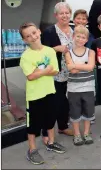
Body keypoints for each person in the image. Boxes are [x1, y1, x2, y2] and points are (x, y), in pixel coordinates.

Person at [19, 22, 66, 165]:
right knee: (33, 125)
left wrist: (39, 71)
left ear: (39, 32)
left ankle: (51, 142)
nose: (32, 37)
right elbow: (31, 76)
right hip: (34, 95)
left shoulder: (49, 51)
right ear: (24, 40)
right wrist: (46, 70)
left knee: (50, 120)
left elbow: (56, 70)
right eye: (28, 36)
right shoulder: (26, 56)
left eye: (34, 33)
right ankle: (32, 150)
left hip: (49, 91)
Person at [41, 2, 74, 143]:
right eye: (61, 13)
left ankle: (63, 126)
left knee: (65, 103)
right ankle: (45, 132)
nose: (65, 16)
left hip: (72, 73)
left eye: (67, 13)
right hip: (56, 74)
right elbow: (42, 53)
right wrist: (56, 48)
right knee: (54, 103)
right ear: (56, 15)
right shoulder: (49, 32)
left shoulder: (74, 31)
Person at [64, 25, 96, 146]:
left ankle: (86, 133)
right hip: (73, 88)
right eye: (78, 36)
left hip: (88, 87)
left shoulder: (91, 52)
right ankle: (77, 134)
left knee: (88, 111)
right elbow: (71, 70)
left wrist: (77, 65)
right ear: (73, 37)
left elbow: (90, 67)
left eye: (83, 37)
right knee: (75, 112)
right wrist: (84, 64)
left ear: (87, 40)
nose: (80, 39)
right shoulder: (68, 53)